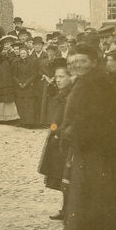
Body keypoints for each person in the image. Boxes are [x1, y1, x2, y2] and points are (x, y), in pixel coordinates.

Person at [59, 43, 116, 230]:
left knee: (93, 194)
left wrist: (72, 132)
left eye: (83, 61)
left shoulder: (96, 83)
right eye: (75, 62)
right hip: (87, 146)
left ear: (94, 62)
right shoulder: (85, 81)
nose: (78, 65)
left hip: (96, 148)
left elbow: (97, 119)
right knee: (86, 193)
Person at [37, 58, 72, 219]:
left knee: (66, 175)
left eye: (61, 77)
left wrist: (58, 132)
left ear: (70, 77)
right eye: (56, 77)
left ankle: (68, 209)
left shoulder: (70, 95)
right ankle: (65, 208)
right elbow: (54, 119)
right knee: (61, 174)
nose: (58, 80)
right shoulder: (61, 94)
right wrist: (53, 130)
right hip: (57, 136)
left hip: (65, 139)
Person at [12, 43, 40, 128]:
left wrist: (26, 83)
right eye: (21, 53)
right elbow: (14, 75)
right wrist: (19, 83)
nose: (22, 55)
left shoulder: (32, 62)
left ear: (27, 53)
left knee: (29, 105)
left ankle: (29, 123)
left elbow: (34, 74)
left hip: (29, 87)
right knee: (20, 104)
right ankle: (22, 122)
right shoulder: (16, 62)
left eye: (24, 53)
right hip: (19, 87)